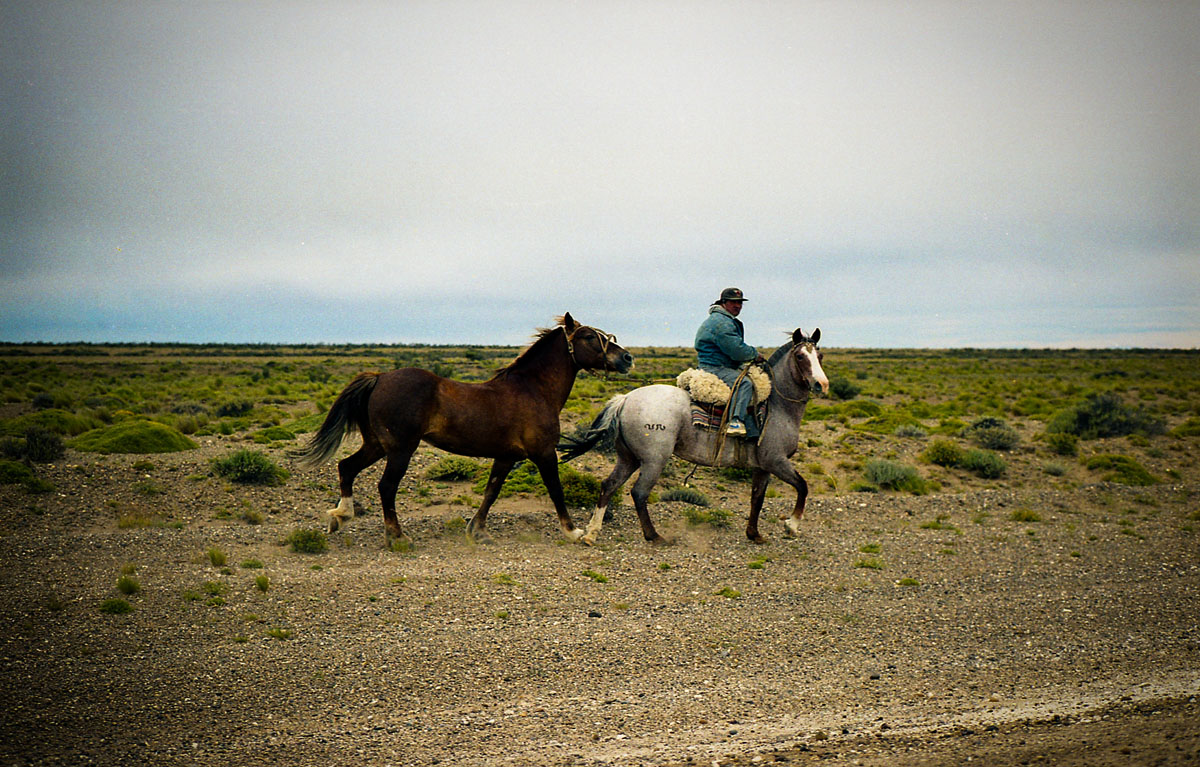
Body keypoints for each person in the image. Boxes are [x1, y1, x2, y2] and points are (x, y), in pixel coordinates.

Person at [694, 287, 764, 437]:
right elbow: (736, 350)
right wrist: (754, 354)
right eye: (734, 302)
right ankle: (735, 421)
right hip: (716, 367)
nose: (738, 306)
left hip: (714, 364)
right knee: (745, 384)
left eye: (740, 303)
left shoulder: (721, 320)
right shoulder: (723, 323)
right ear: (724, 303)